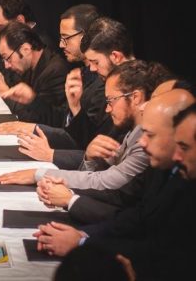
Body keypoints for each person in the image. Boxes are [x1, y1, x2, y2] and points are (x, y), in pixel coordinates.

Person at [34, 92, 196, 280]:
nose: (142, 142)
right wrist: (83, 235)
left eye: (149, 134)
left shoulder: (180, 175)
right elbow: (137, 215)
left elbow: (167, 253)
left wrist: (83, 242)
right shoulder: (166, 169)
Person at [0, 60, 172, 191]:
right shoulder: (131, 130)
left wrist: (40, 174)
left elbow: (105, 182)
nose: (107, 108)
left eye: (110, 101)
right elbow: (96, 170)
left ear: (136, 97)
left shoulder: (143, 139)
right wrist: (88, 157)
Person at [37, 86, 194, 223]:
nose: (144, 106)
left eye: (155, 99)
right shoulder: (156, 165)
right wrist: (68, 195)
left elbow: (111, 186)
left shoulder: (170, 170)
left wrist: (67, 196)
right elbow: (120, 197)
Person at [0, 4, 111, 152]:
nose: (61, 44)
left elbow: (86, 141)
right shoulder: (81, 72)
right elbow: (62, 119)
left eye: (66, 38)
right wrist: (32, 100)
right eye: (61, 38)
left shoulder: (102, 81)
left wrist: (34, 129)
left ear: (87, 36)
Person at [0, 21, 70, 127]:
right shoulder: (28, 64)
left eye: (7, 58)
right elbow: (13, 82)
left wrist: (3, 91)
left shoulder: (54, 71)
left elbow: (40, 121)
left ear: (26, 49)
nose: (6, 65)